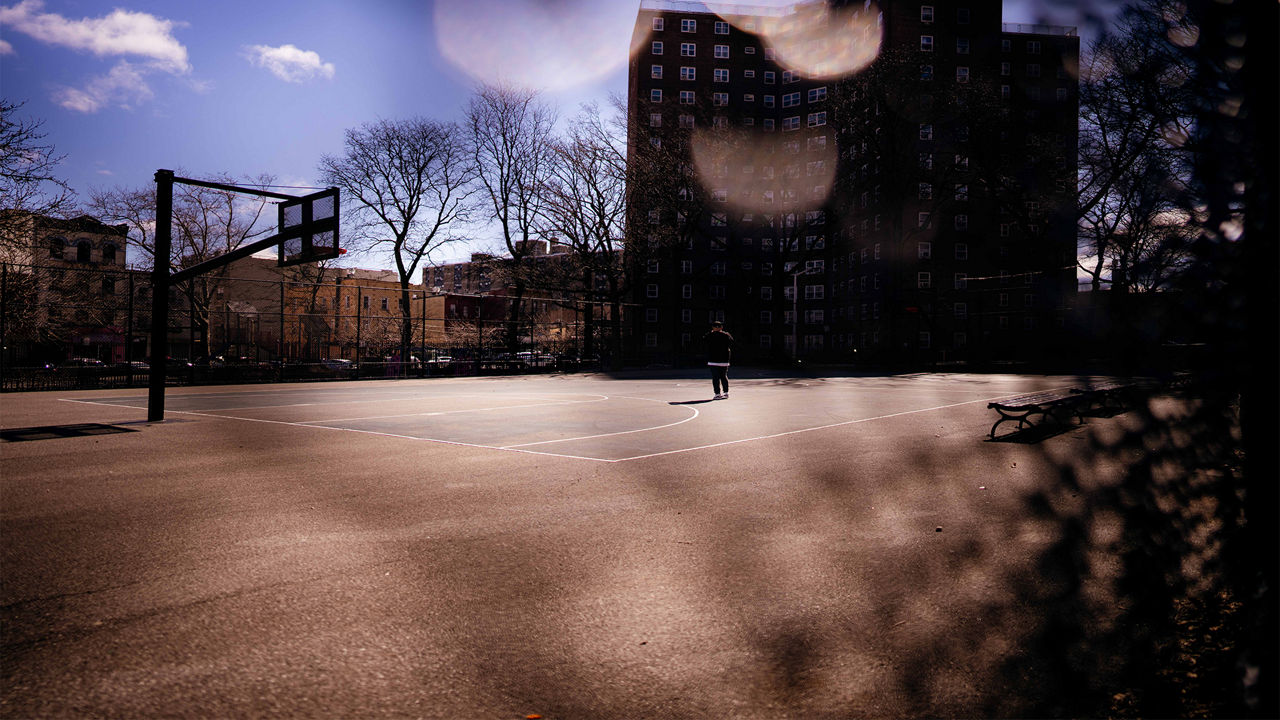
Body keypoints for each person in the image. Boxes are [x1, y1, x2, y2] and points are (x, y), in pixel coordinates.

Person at [703, 320, 734, 399]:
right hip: (724, 359)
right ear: (721, 327)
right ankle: (726, 392)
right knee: (723, 376)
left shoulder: (709, 335)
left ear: (713, 328)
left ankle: (717, 394)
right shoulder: (726, 335)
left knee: (715, 377)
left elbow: (704, 341)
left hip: (713, 360)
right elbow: (731, 343)